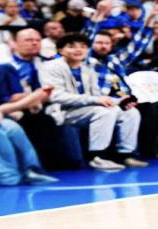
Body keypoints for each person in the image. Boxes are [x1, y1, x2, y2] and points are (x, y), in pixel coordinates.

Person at [39, 32, 143, 171]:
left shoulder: (88, 68)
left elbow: (97, 95)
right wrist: (97, 100)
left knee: (130, 112)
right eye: (72, 46)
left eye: (83, 46)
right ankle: (97, 157)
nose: (78, 50)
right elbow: (56, 96)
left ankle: (126, 154)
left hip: (85, 110)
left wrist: (119, 101)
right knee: (104, 111)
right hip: (61, 111)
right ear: (60, 50)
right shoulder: (50, 67)